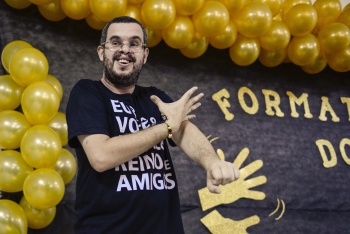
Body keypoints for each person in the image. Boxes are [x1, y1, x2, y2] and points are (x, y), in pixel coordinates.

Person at [66, 16, 240, 234]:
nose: (125, 50)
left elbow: (184, 130)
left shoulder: (154, 97)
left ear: (144, 55)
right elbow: (101, 156)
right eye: (116, 42)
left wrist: (211, 162)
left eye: (134, 44)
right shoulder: (87, 93)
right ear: (102, 52)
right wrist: (166, 128)